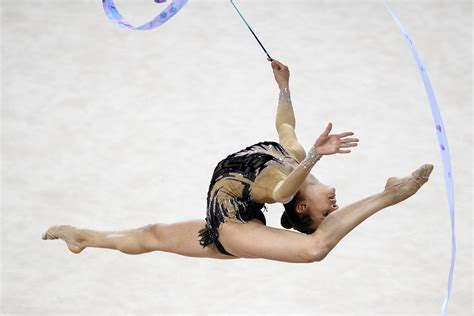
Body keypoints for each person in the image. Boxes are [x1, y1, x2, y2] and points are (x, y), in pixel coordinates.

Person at [42, 60, 433, 263]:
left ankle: (391, 194)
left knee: (314, 250)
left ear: (302, 205)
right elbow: (285, 124)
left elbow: (281, 192)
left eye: (325, 214)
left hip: (233, 230)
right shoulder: (290, 155)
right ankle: (83, 237)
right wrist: (284, 87)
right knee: (152, 234)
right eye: (332, 211)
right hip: (224, 223)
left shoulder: (282, 185)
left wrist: (315, 155)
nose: (334, 206)